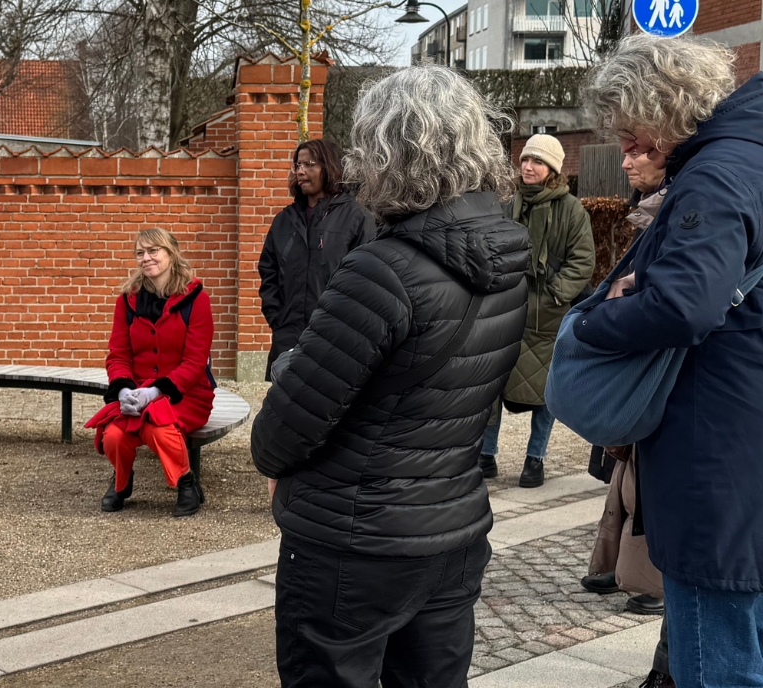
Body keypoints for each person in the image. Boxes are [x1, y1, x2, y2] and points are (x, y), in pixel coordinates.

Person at [576, 35, 763, 688]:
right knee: (752, 658)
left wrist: (594, 327)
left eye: (633, 131)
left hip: (726, 460)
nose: (626, 148)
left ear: (663, 109)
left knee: (720, 669)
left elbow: (684, 307)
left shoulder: (718, 174)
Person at [253, 65, 528, 688]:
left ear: (387, 152)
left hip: (355, 545)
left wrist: (299, 364)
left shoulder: (382, 272)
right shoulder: (510, 254)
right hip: (452, 529)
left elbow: (277, 438)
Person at [585, 147, 668, 614]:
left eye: (639, 150)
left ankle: (649, 580)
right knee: (625, 474)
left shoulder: (687, 204)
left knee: (645, 480)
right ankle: (620, 565)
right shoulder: (649, 207)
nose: (626, 162)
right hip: (638, 362)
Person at [484, 133, 594, 488]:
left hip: (547, 316)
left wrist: (555, 296)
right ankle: (485, 455)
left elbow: (582, 260)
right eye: (526, 160)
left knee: (547, 391)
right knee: (492, 385)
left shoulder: (571, 209)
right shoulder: (507, 203)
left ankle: (536, 458)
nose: (529, 167)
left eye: (538, 161)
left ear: (553, 169)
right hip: (506, 310)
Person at [86, 228, 216, 517]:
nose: (146, 258)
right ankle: (122, 481)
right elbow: (118, 355)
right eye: (140, 253)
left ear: (170, 253)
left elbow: (195, 363)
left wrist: (155, 391)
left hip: (187, 393)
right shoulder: (127, 300)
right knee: (114, 435)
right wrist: (124, 390)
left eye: (153, 251)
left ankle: (186, 482)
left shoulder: (197, 299)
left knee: (157, 425)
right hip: (138, 390)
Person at [258, 138, 377, 378]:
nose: (300, 171)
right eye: (297, 165)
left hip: (337, 341)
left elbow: (368, 280)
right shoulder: (284, 220)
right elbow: (268, 272)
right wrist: (278, 319)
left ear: (328, 167)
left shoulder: (357, 218)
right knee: (283, 408)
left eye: (309, 164)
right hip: (288, 336)